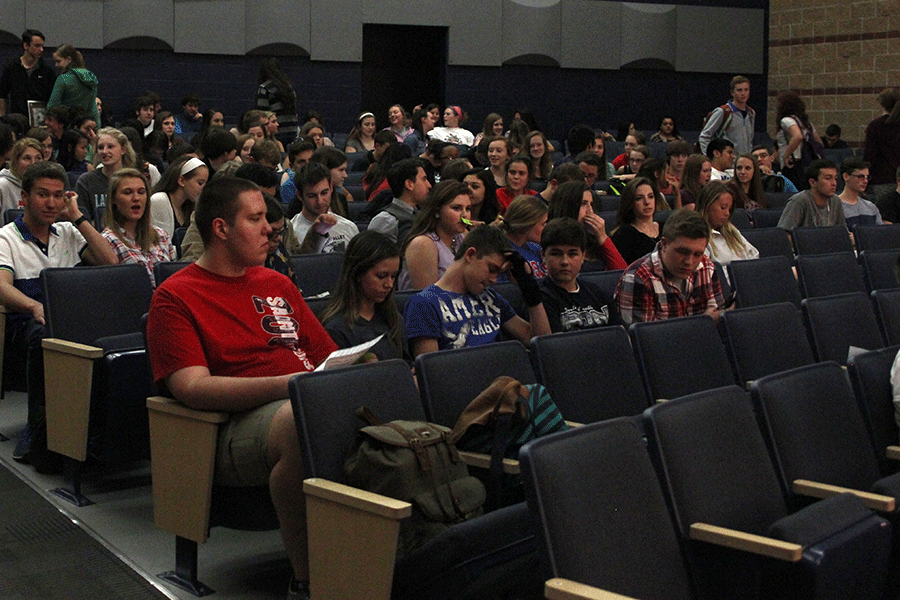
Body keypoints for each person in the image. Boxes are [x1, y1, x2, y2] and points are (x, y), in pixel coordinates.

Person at [146, 176, 338, 600]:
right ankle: (307, 580)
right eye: (255, 219)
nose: (271, 228)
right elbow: (192, 388)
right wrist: (289, 386)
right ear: (221, 229)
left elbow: (328, 357)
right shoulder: (175, 296)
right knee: (298, 420)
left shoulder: (277, 283)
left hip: (306, 397)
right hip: (228, 429)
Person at [1, 161, 117, 470]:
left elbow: (111, 263)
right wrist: (32, 306)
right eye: (42, 195)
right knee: (44, 338)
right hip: (25, 323)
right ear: (23, 197)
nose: (52, 203)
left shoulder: (67, 232)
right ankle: (38, 429)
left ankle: (100, 433)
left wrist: (78, 218)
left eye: (57, 195)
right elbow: (1, 287)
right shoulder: (6, 237)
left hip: (72, 318)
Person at [404, 224, 551, 358]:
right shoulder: (424, 303)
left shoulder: (490, 297)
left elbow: (540, 342)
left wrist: (528, 287)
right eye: (492, 269)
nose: (494, 279)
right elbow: (431, 372)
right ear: (470, 255)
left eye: (499, 273)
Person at [614, 208, 725, 325]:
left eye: (697, 254)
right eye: (682, 252)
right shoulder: (638, 278)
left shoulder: (707, 267)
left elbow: (717, 321)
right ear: (664, 244)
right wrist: (703, 323)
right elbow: (642, 340)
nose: (689, 261)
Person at [319, 230, 407, 361]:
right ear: (358, 273)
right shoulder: (336, 328)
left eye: (393, 277)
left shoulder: (393, 319)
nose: (389, 284)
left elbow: (408, 365)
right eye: (381, 276)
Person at [539, 217, 616, 333]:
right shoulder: (540, 298)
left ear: (583, 256)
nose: (565, 261)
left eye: (572, 254)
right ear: (543, 256)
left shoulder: (598, 293)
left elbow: (623, 336)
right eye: (556, 254)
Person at [101, 168, 175, 286]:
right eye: (127, 192)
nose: (136, 198)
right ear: (114, 199)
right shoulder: (107, 240)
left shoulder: (162, 235)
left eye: (141, 192)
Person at [398, 180, 471, 291]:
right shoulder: (422, 244)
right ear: (437, 211)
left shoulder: (463, 235)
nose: (465, 215)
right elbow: (428, 299)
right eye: (457, 208)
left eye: (468, 209)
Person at [548, 180, 627, 271]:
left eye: (591, 204)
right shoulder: (552, 240)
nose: (590, 211)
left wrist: (603, 238)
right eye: (583, 204)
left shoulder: (593, 239)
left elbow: (620, 273)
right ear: (568, 207)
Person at [289, 161, 358, 254]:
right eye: (312, 196)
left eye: (324, 193)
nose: (320, 201)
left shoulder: (348, 227)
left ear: (331, 188)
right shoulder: (291, 232)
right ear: (300, 195)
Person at [695, 180, 758, 280]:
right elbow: (710, 274)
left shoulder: (731, 230)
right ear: (707, 206)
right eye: (723, 208)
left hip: (749, 280)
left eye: (729, 209)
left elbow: (754, 254)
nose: (727, 213)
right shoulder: (698, 236)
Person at [74, 127, 138, 223]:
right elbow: (81, 219)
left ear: (123, 149)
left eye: (110, 147)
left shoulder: (135, 179)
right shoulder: (86, 181)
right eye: (100, 147)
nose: (104, 151)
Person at [368, 158, 431, 245]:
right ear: (409, 184)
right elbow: (375, 256)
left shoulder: (421, 214)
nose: (429, 185)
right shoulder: (386, 221)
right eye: (424, 179)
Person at [0, 30, 56, 117]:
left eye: (42, 46)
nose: (41, 50)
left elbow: (53, 98)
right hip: (17, 117)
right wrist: (2, 116)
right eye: (37, 46)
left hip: (39, 117)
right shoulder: (12, 67)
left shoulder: (47, 71)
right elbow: (2, 94)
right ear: (26, 45)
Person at [775, 90, 824, 191]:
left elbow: (797, 136)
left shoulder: (786, 121)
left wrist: (786, 155)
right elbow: (819, 142)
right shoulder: (806, 123)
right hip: (807, 164)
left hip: (792, 164)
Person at [777, 159, 846, 230]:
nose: (834, 183)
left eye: (835, 178)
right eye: (828, 178)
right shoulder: (799, 201)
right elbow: (784, 234)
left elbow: (841, 231)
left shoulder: (836, 201)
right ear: (813, 182)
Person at [149, 156, 209, 236]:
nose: (203, 189)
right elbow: (162, 242)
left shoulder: (189, 207)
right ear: (181, 181)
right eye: (200, 183)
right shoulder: (159, 200)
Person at [494, 195, 548, 282]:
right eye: (543, 224)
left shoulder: (536, 248)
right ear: (528, 225)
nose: (546, 228)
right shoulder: (504, 253)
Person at [610, 177, 662, 265]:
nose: (647, 202)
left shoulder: (666, 228)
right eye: (639, 198)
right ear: (630, 203)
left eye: (650, 197)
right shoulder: (623, 235)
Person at [699, 75, 755, 155]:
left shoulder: (751, 113)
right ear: (732, 92)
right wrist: (710, 157)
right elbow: (704, 136)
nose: (743, 93)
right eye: (739, 90)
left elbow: (750, 140)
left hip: (744, 161)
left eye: (746, 90)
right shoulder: (723, 112)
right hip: (727, 161)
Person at [45, 44, 99, 126]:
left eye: (58, 61)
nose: (56, 65)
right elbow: (93, 107)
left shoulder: (63, 79)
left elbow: (53, 106)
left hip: (68, 125)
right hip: (87, 124)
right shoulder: (92, 78)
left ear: (69, 59)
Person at [863, 88, 900, 204]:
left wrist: (866, 179)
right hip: (896, 176)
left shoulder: (876, 126)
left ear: (882, 105)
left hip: (883, 178)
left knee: (885, 215)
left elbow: (870, 156)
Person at [256, 58, 299, 147]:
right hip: (292, 132)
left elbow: (262, 114)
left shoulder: (265, 88)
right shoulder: (289, 88)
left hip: (276, 134)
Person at [838, 157, 883, 229]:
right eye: (860, 177)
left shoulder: (871, 207)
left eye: (867, 177)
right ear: (846, 176)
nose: (866, 181)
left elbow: (880, 233)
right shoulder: (835, 207)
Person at [0, 138, 43, 212]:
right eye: (27, 158)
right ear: (16, 161)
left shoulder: (43, 186)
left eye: (38, 158)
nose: (33, 163)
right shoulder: (2, 186)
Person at [280, 140, 316, 210]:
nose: (307, 165)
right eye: (302, 162)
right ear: (291, 166)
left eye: (311, 160)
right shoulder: (288, 187)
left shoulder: (324, 182)